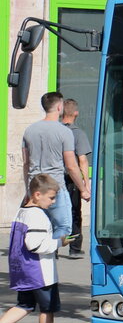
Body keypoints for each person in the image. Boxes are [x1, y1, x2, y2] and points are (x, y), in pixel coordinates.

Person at [0, 173, 72, 323]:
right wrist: (59, 242)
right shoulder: (38, 215)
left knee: (24, 305)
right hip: (40, 272)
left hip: (23, 269)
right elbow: (35, 244)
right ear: (37, 195)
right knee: (47, 309)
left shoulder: (22, 211)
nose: (53, 202)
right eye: (51, 197)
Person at [23, 92, 89, 242]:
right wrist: (83, 189)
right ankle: (49, 258)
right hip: (56, 187)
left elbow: (26, 163)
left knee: (38, 227)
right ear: (59, 107)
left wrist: (27, 188)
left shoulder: (29, 131)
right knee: (64, 228)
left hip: (35, 188)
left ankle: (42, 257)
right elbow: (72, 166)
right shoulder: (64, 132)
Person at [60, 98, 92, 258]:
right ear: (76, 113)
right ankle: (74, 248)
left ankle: (53, 249)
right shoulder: (77, 133)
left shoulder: (54, 130)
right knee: (74, 212)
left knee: (54, 212)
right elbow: (82, 160)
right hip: (71, 179)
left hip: (54, 177)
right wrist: (86, 186)